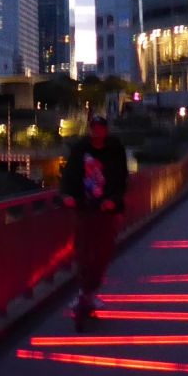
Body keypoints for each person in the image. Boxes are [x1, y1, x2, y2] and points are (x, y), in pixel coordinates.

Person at [60, 114, 129, 327]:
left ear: (105, 130)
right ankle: (86, 292)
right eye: (94, 128)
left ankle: (89, 291)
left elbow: (121, 179)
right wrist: (68, 196)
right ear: (90, 130)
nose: (97, 132)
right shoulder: (81, 149)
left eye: (100, 128)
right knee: (82, 251)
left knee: (103, 253)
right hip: (84, 208)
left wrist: (113, 200)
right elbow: (69, 176)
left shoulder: (115, 149)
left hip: (107, 210)